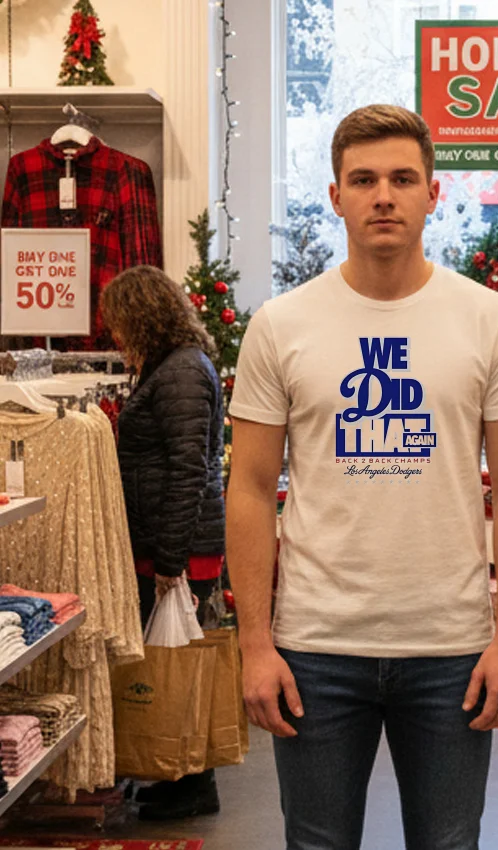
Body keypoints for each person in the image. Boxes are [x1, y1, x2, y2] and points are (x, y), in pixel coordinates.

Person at [227, 104, 498, 849]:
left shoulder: (489, 319)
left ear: (433, 193)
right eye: (364, 180)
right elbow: (249, 489)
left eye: (403, 179)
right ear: (335, 196)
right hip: (314, 647)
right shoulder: (281, 324)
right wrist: (254, 644)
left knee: (449, 844)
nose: (383, 196)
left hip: (451, 648)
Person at [101, 265, 225, 822]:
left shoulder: (181, 371)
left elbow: (188, 469)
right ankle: (180, 774)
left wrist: (170, 562)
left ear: (142, 316)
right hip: (170, 541)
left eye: (119, 321)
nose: (114, 333)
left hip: (181, 546)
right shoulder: (170, 366)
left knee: (181, 665)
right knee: (174, 659)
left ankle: (194, 782)